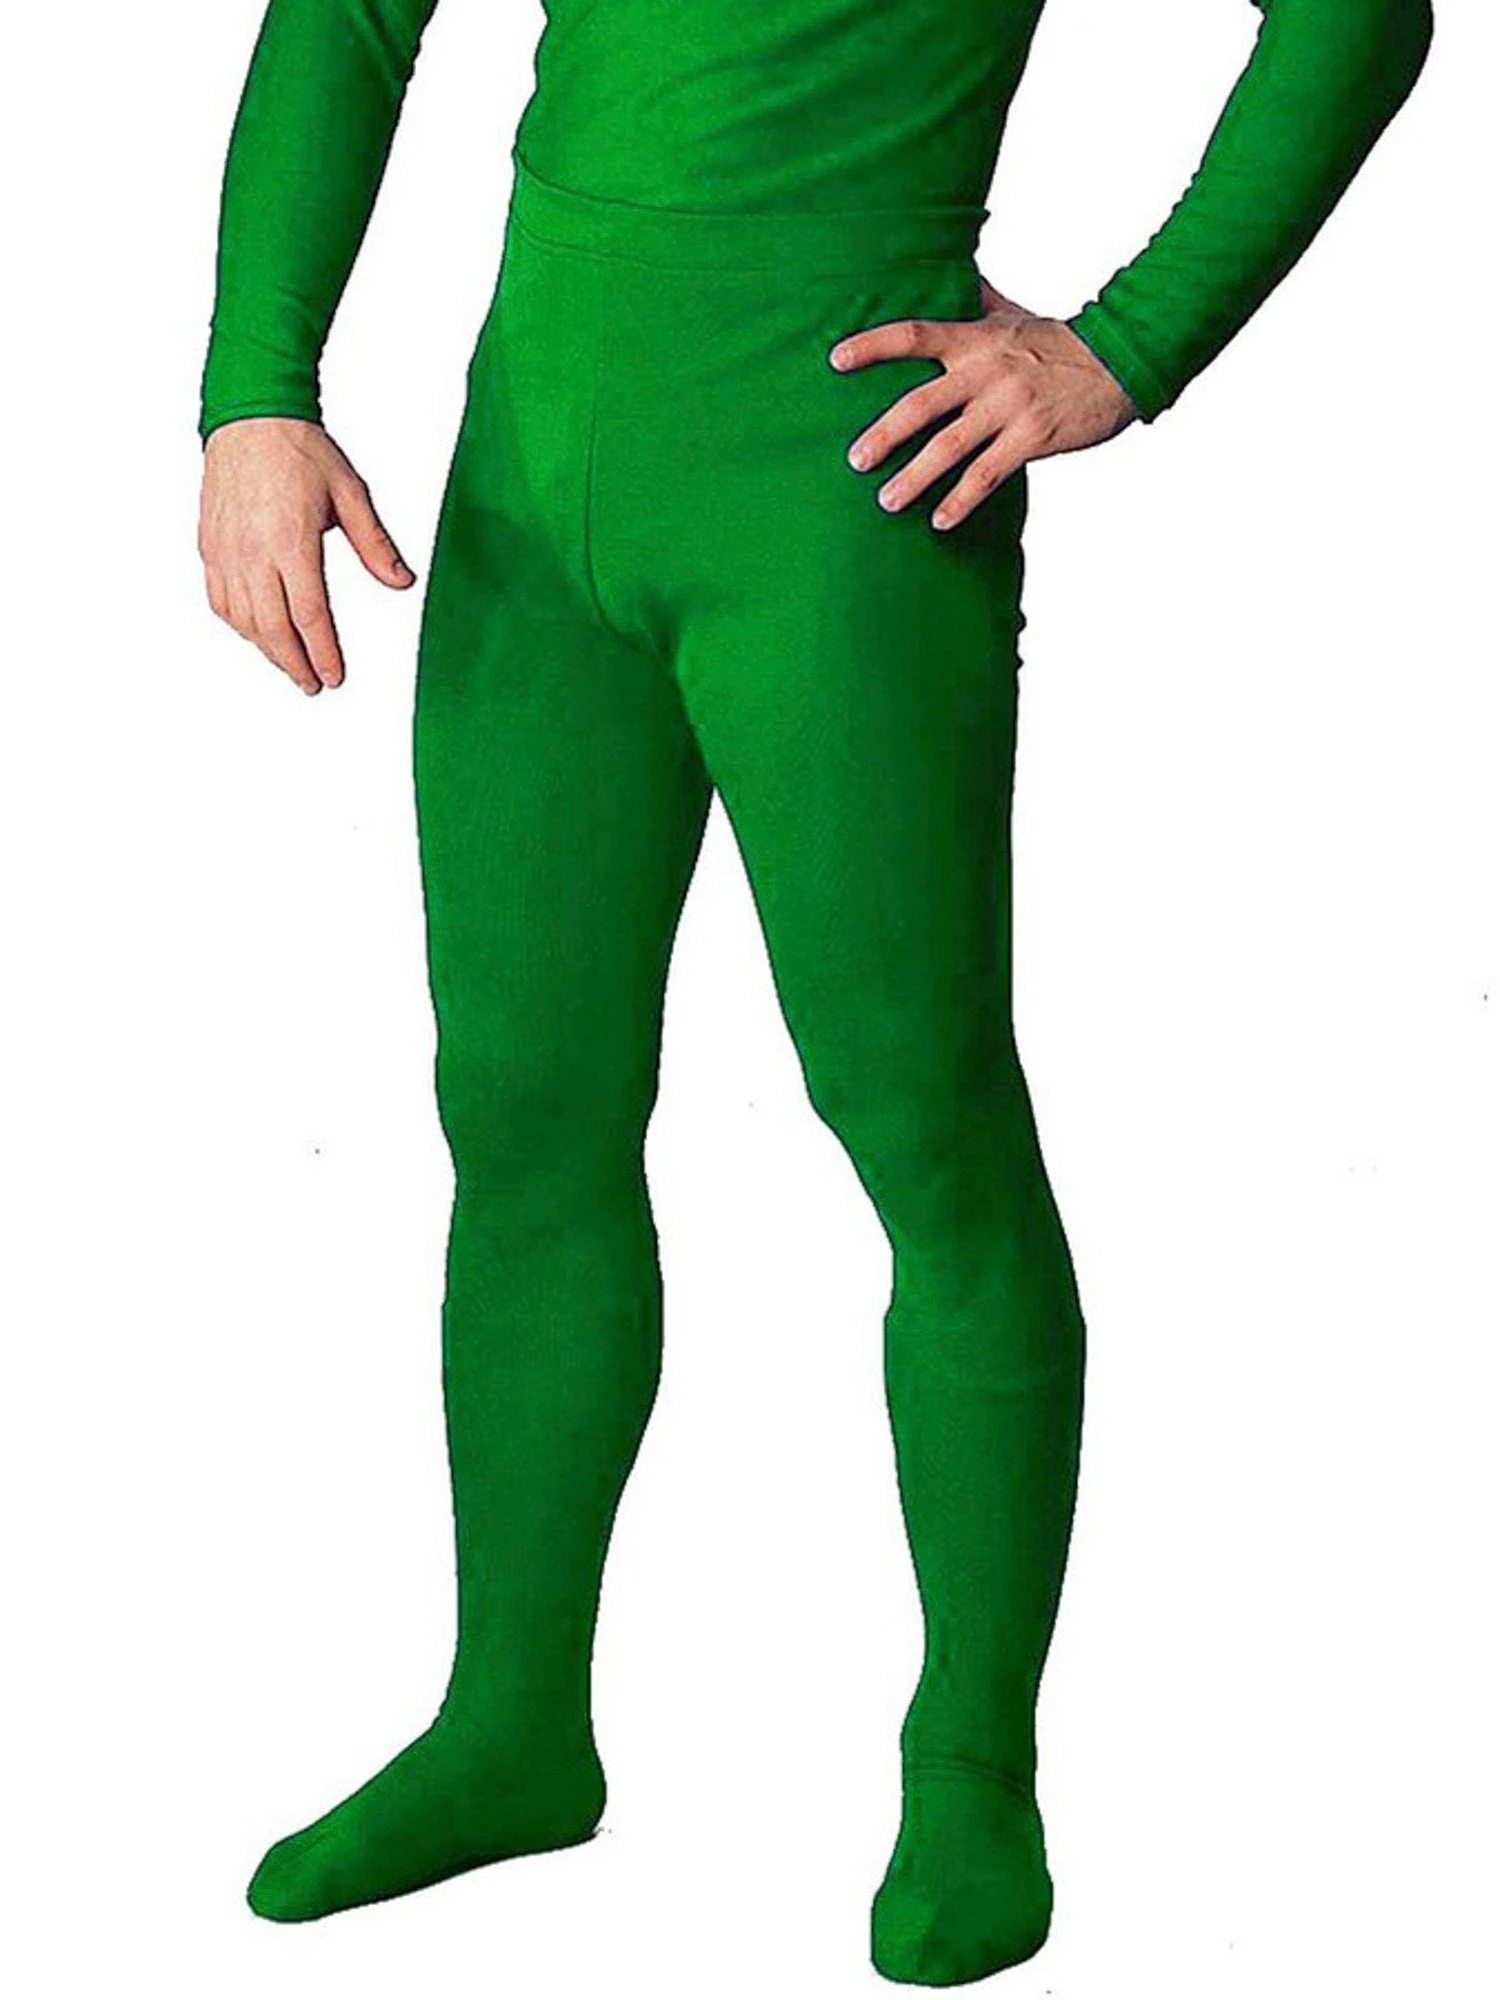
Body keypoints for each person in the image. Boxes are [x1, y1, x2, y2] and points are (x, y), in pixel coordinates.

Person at [196, 0, 1432, 1982]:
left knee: (921, 1124)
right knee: (521, 1110)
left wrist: (1130, 344)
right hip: (535, 465)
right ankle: (512, 1723)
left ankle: (972, 1770)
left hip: (839, 483)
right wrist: (255, 390)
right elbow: (349, 16)